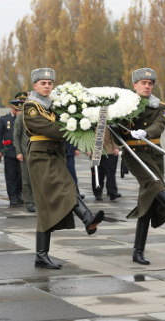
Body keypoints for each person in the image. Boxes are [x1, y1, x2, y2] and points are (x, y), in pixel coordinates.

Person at [22, 68, 104, 269]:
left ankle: (41, 256)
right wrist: (76, 127)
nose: (47, 86)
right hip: (40, 155)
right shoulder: (31, 107)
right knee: (66, 186)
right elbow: (49, 129)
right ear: (35, 86)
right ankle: (87, 218)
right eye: (43, 83)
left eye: (50, 83)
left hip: (54, 154)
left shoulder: (53, 106)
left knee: (46, 206)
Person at [117, 67, 165, 265]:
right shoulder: (123, 105)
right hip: (134, 154)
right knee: (155, 184)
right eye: (143, 83)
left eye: (150, 84)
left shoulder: (161, 106)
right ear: (135, 85)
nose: (147, 86)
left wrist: (146, 133)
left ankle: (137, 251)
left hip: (154, 153)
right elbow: (116, 126)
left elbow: (160, 125)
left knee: (149, 201)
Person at [0, 99, 24, 205]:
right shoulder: (4, 119)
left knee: (20, 175)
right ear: (12, 108)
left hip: (21, 151)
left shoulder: (23, 119)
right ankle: (12, 196)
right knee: (11, 174)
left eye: (19, 110)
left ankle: (19, 193)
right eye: (16, 109)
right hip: (9, 151)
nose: (18, 111)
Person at [13, 91, 35, 212]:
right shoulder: (21, 116)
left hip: (38, 152)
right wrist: (18, 152)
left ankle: (38, 201)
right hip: (26, 152)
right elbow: (16, 136)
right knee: (27, 180)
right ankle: (30, 203)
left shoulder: (37, 115)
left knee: (38, 179)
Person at [90, 130, 120, 201]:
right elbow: (87, 135)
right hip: (95, 150)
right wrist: (88, 148)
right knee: (97, 172)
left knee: (111, 172)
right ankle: (98, 193)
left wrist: (116, 147)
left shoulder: (109, 120)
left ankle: (112, 191)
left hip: (109, 149)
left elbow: (113, 134)